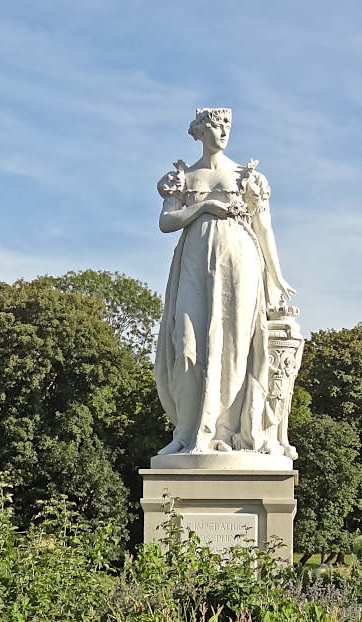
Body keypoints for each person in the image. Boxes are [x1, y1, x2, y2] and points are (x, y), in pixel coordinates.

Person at [154, 107, 297, 457]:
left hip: (240, 266)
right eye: (215, 127)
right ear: (199, 132)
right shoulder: (183, 177)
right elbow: (167, 222)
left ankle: (225, 433)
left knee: (233, 348)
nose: (223, 133)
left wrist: (276, 278)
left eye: (227, 127)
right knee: (187, 347)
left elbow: (264, 229)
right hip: (193, 268)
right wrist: (203, 209)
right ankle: (188, 433)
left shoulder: (246, 176)